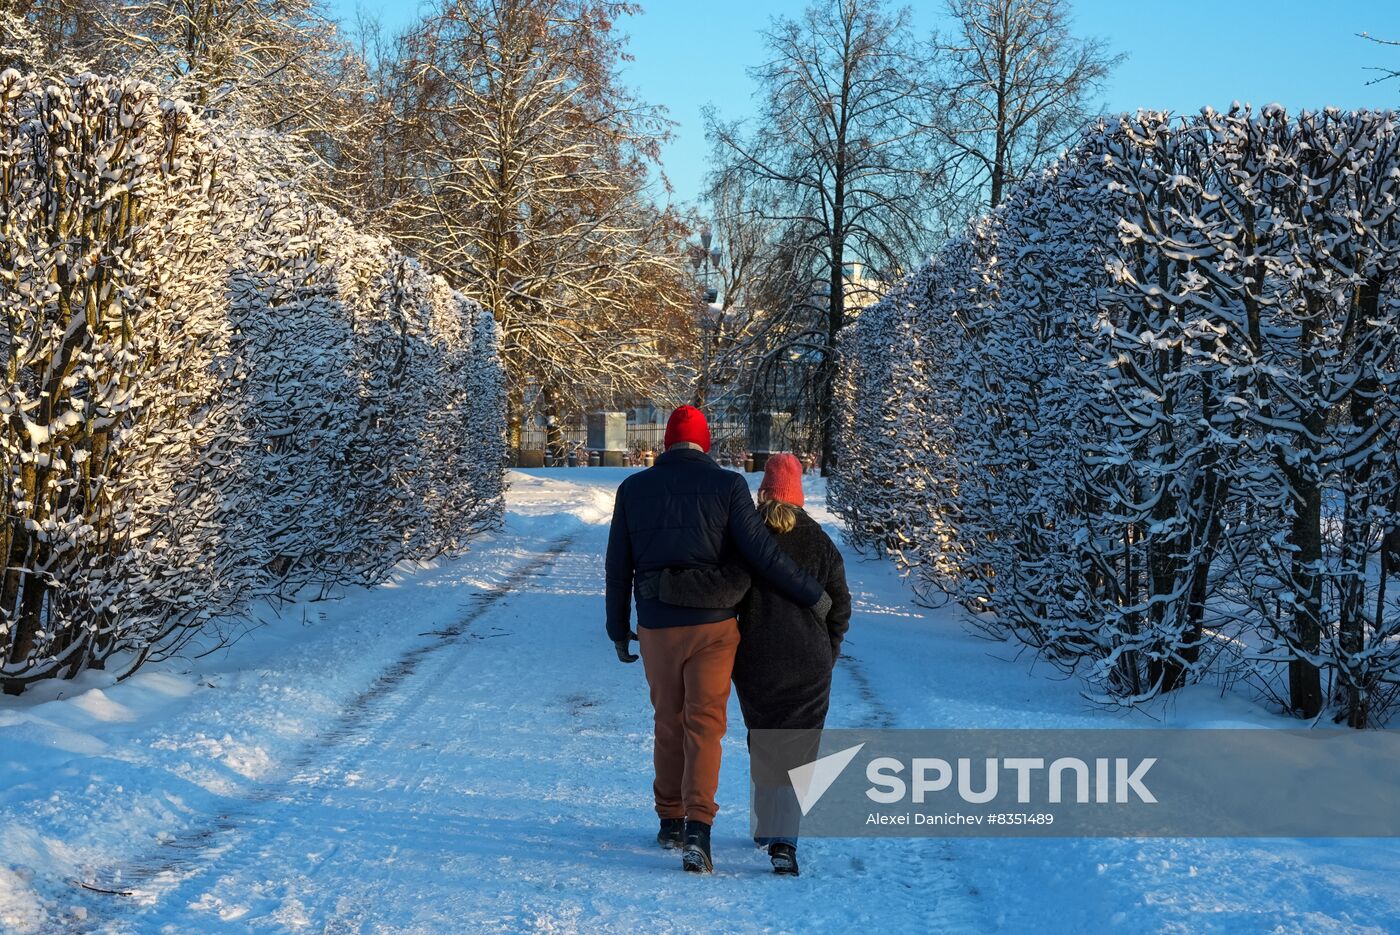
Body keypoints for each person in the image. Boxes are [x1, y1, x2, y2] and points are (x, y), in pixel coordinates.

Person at [605, 406, 831, 875]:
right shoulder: (728, 486)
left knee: (668, 720)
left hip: (657, 625)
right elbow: (762, 555)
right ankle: (698, 831)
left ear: (666, 442)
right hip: (713, 626)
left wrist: (616, 627)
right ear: (705, 443)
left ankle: (669, 818)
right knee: (705, 726)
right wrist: (813, 594)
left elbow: (617, 566)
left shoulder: (632, 489)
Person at [660, 453, 851, 877]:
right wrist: (828, 651)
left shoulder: (748, 538)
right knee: (799, 747)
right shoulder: (820, 542)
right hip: (810, 662)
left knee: (765, 740)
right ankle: (784, 841)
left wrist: (670, 583)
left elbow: (726, 588)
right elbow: (840, 606)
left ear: (763, 492)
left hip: (757, 658)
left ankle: (768, 827)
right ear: (799, 495)